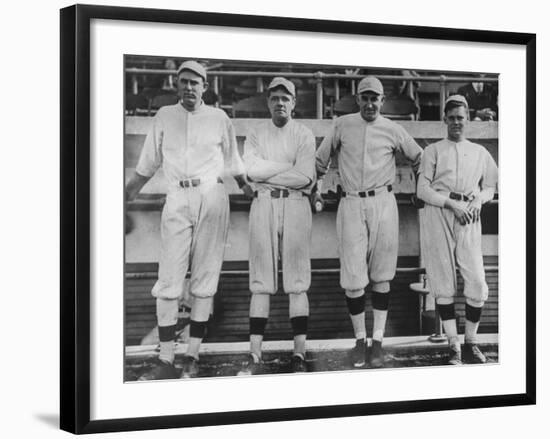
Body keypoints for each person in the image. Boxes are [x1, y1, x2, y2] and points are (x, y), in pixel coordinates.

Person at [126, 60, 253, 380]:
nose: (188, 87)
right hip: (177, 197)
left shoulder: (219, 117)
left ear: (205, 87)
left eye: (194, 83)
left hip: (212, 196)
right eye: (183, 82)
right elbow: (146, 164)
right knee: (169, 280)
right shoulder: (164, 116)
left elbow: (234, 163)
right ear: (177, 85)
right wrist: (124, 194)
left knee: (205, 280)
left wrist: (250, 188)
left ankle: (192, 355)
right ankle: (166, 358)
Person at [316, 76, 423, 368]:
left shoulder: (392, 128)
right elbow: (319, 161)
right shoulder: (342, 125)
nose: (370, 103)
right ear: (357, 99)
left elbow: (419, 158)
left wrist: (419, 190)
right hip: (350, 202)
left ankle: (378, 342)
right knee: (352, 277)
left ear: (382, 101)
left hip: (384, 203)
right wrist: (318, 189)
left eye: (375, 98)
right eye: (365, 97)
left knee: (382, 275)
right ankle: (360, 340)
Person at [238, 77, 316, 375]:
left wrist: (266, 173)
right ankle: (255, 354)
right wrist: (288, 169)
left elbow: (306, 178)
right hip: (264, 204)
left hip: (295, 203)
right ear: (267, 102)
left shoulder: (304, 134)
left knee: (297, 280)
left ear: (294, 102)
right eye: (274, 98)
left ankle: (299, 352)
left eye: (285, 98)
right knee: (261, 280)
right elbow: (250, 170)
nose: (280, 103)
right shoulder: (256, 133)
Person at [416, 94, 498, 365]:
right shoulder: (433, 150)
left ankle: (471, 342)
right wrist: (451, 203)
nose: (456, 123)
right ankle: (453, 344)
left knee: (476, 281)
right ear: (444, 120)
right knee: (443, 281)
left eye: (460, 118)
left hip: (469, 216)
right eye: (451, 118)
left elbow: (490, 186)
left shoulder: (479, 152)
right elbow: (423, 189)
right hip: (440, 212)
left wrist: (477, 200)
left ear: (467, 119)